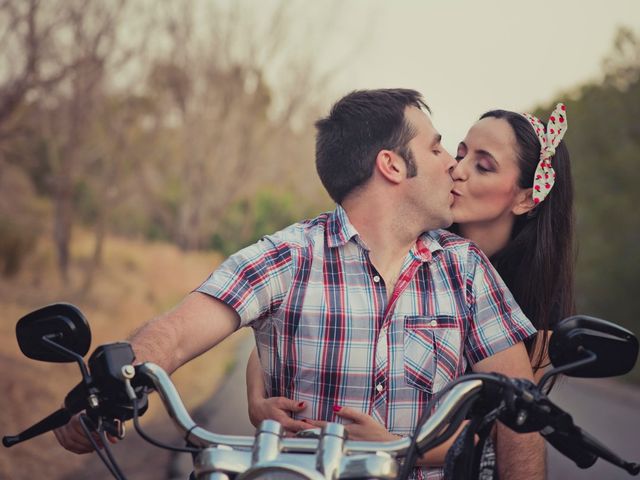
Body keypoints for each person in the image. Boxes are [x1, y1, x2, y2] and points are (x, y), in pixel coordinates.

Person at [54, 89, 544, 479]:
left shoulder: (466, 269)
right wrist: (103, 393)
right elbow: (178, 331)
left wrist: (409, 449)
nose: (451, 165)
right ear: (392, 165)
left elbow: (518, 414)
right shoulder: (287, 256)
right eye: (438, 147)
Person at [244, 102, 573, 474]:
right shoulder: (409, 244)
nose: (457, 170)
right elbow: (297, 321)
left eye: (483, 166)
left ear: (527, 198)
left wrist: (394, 447)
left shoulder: (529, 302)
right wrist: (257, 398)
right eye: (459, 153)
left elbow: (504, 433)